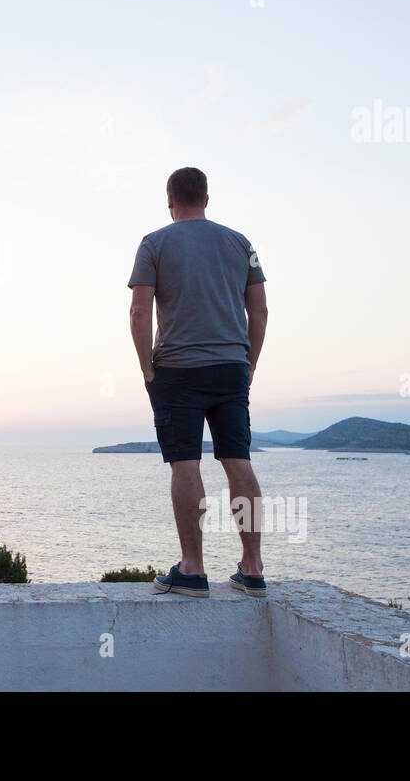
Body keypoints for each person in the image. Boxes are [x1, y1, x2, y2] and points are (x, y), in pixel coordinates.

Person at [127, 167, 269, 598]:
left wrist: (146, 368)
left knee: (185, 463)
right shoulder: (240, 243)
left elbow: (139, 311)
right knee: (238, 461)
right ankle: (254, 566)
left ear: (169, 200)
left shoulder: (154, 243)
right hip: (231, 367)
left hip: (177, 370)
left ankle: (192, 568)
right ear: (206, 199)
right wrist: (249, 363)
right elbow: (259, 311)